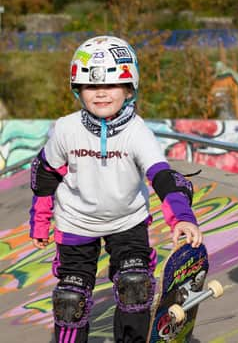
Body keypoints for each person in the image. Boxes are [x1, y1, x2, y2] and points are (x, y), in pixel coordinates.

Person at [29, 36, 203, 342]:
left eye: (110, 86)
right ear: (78, 90)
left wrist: (182, 218)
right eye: (91, 87)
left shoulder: (137, 133)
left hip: (128, 222)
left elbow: (163, 177)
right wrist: (40, 221)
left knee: (135, 285)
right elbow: (44, 175)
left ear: (128, 88)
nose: (100, 94)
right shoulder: (66, 129)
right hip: (75, 223)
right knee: (70, 300)